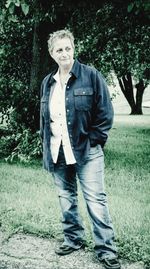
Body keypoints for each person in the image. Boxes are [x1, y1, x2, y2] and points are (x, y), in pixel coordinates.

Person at [40, 29, 121, 269]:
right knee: (66, 198)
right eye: (59, 50)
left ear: (73, 49)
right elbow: (45, 119)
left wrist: (95, 140)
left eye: (67, 48)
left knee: (96, 200)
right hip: (58, 150)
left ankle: (106, 250)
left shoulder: (91, 76)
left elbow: (105, 113)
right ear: (52, 54)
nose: (64, 53)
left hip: (86, 151)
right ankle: (73, 239)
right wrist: (45, 146)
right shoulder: (48, 82)